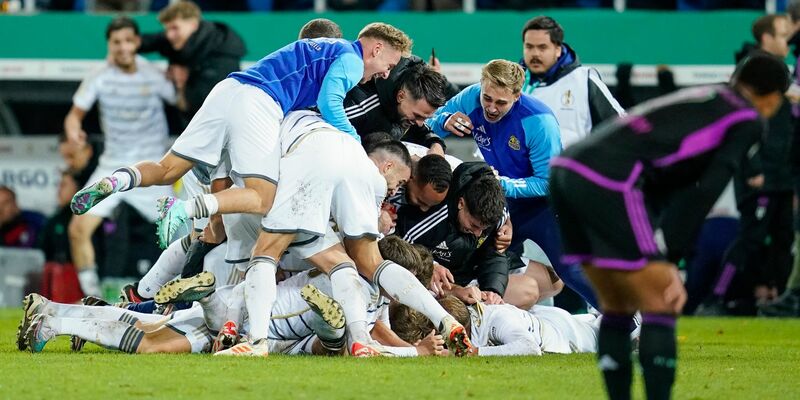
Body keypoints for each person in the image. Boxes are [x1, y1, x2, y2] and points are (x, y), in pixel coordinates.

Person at [548, 54, 789, 400]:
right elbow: (704, 190)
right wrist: (670, 258)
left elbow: (666, 182)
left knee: (617, 302)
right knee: (660, 298)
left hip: (566, 172)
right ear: (773, 97)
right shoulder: (746, 116)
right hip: (611, 180)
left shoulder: (708, 95)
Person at [71, 23, 411, 252]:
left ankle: (113, 181)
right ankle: (183, 209)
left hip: (229, 89)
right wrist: (354, 143)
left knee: (167, 169)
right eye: (390, 63)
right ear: (376, 48)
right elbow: (329, 102)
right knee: (263, 197)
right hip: (258, 102)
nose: (385, 73)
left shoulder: (322, 45)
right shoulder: (351, 59)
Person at [426, 59, 599, 309]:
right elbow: (425, 123)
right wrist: (443, 122)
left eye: (501, 102)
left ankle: (630, 322)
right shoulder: (471, 97)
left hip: (546, 207)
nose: (491, 108)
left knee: (570, 269)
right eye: (487, 98)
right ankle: (474, 320)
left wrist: (502, 185)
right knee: (473, 256)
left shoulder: (539, 121)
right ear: (481, 86)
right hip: (506, 203)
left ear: (517, 95)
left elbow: (547, 183)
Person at [64, 17, 176, 297]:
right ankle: (94, 298)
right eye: (116, 42)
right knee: (78, 228)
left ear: (137, 42)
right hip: (113, 166)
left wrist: (183, 78)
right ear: (109, 45)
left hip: (154, 167)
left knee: (180, 237)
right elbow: (73, 117)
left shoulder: (153, 74)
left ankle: (176, 298)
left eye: (128, 41)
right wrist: (74, 131)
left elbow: (184, 104)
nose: (123, 47)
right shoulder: (98, 75)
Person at [706, 14, 795, 313]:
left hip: (783, 174)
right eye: (783, 35)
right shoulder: (751, 71)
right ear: (766, 39)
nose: (788, 41)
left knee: (783, 238)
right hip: (760, 174)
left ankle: (776, 298)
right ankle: (715, 299)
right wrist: (753, 165)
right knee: (751, 238)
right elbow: (740, 123)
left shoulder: (781, 73)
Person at [297, 19, 451, 155]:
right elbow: (326, 108)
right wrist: (357, 143)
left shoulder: (406, 85)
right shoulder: (359, 102)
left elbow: (419, 127)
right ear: (401, 96)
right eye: (418, 116)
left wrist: (435, 144)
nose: (420, 122)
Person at [520, 16, 624, 149]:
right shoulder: (512, 85)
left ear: (557, 49)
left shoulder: (584, 80)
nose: (535, 54)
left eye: (542, 48)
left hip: (574, 167)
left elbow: (621, 125)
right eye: (529, 47)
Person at [139, 0, 246, 122]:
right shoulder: (185, 37)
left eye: (174, 28)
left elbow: (203, 108)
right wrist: (132, 43)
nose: (169, 35)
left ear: (193, 25)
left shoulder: (221, 57)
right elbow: (151, 40)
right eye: (167, 29)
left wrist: (181, 85)